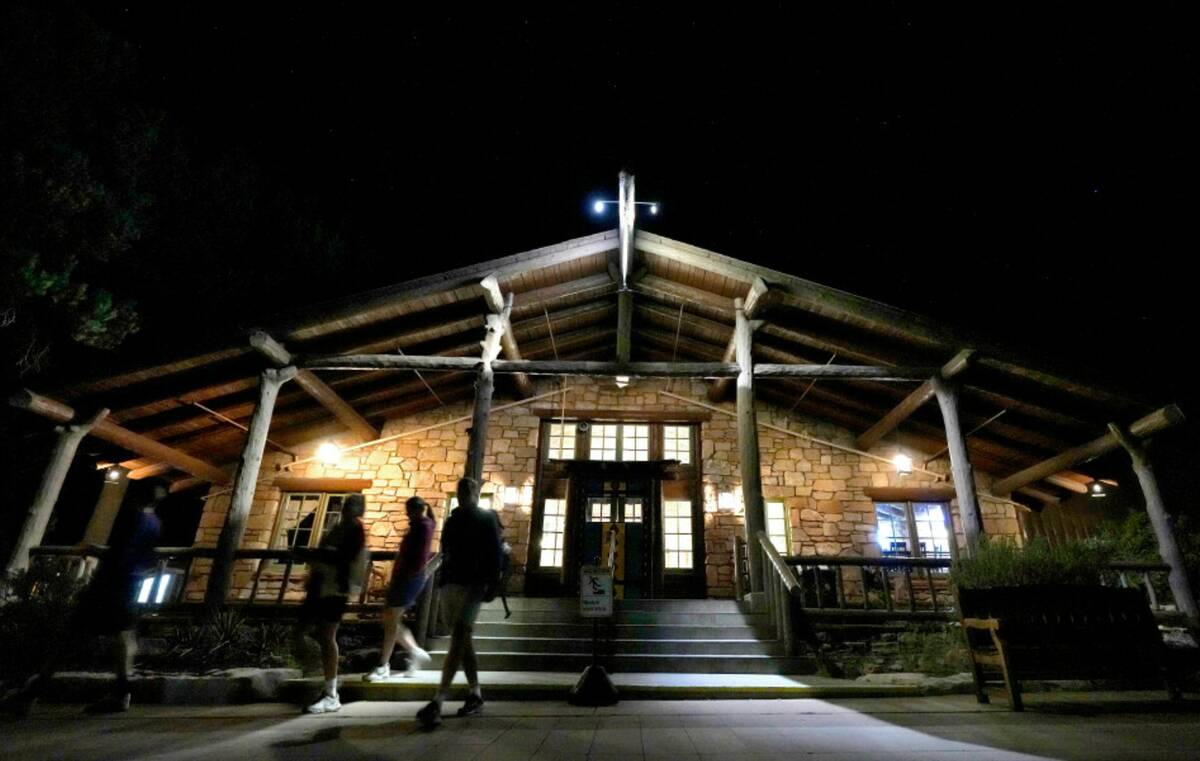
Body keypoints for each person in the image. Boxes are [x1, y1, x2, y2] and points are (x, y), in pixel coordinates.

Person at [6, 480, 166, 715]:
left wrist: (100, 568)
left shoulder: (133, 517)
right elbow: (145, 557)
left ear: (138, 496)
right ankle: (121, 693)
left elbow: (119, 551)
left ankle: (31, 694)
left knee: (71, 637)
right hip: (129, 584)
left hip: (111, 584)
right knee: (123, 637)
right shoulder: (155, 523)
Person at [416, 477, 503, 729]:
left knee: (459, 637)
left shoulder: (486, 519)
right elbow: (446, 552)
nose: (464, 493)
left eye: (469, 489)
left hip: (474, 585)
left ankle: (437, 701)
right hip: (453, 583)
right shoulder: (453, 521)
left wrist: (492, 584)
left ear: (476, 493)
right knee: (462, 640)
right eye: (461, 489)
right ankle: (475, 694)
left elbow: (494, 554)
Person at [294, 494, 367, 714]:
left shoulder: (355, 530)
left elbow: (343, 558)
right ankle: (320, 678)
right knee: (301, 632)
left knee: (326, 636)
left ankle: (330, 691)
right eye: (347, 504)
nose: (347, 508)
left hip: (335, 589)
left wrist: (318, 555)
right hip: (320, 585)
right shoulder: (338, 527)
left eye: (353, 506)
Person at [363, 496, 435, 681]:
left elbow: (416, 558)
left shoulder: (421, 528)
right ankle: (414, 652)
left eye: (408, 510)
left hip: (407, 579)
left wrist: (404, 576)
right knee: (390, 617)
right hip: (406, 578)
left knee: (391, 620)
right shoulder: (422, 526)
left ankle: (383, 666)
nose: (407, 514)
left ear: (412, 510)